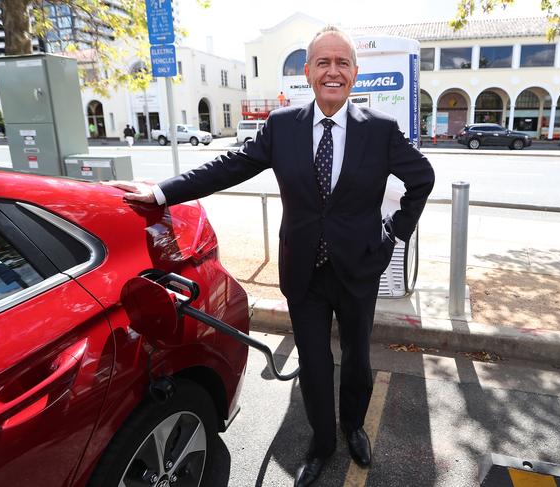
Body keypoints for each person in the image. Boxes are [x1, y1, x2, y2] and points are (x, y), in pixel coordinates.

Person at [105, 26, 434, 487]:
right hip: (304, 271)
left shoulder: (379, 131)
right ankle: (321, 443)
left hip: (359, 268)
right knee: (316, 365)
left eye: (342, 63)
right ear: (309, 71)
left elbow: (423, 179)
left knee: (357, 359)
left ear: (355, 74)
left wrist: (392, 234)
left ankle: (353, 427)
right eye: (323, 62)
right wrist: (161, 192)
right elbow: (230, 165)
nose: (333, 71)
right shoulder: (283, 126)